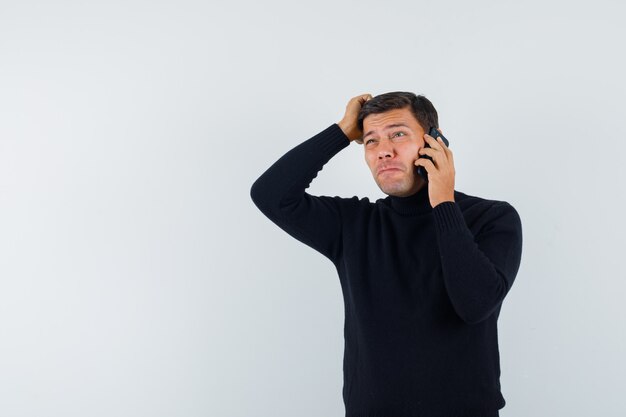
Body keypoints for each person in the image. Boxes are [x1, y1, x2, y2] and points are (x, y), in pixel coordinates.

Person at [250, 92, 523, 417]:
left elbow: (474, 305)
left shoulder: (492, 218)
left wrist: (444, 204)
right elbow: (270, 195)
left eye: (398, 134)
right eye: (370, 141)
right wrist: (341, 131)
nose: (384, 151)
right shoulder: (352, 225)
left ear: (434, 144)